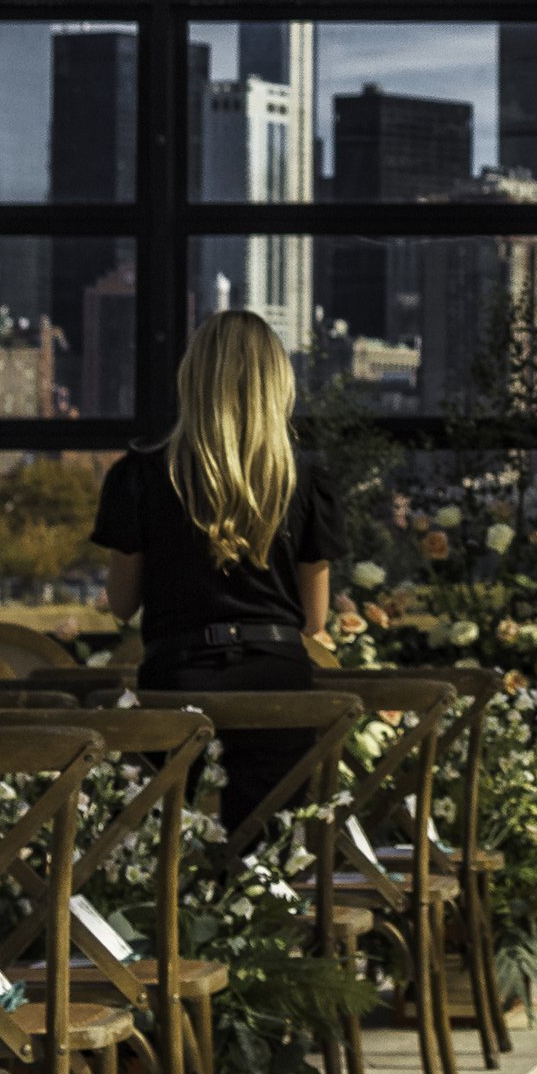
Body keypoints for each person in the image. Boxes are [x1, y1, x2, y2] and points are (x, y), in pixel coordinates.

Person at [92, 309, 343, 835]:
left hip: (176, 680)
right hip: (277, 684)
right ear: (277, 384)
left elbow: (120, 605)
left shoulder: (138, 475)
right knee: (269, 851)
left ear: (192, 378)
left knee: (164, 843)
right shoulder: (306, 478)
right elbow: (314, 616)